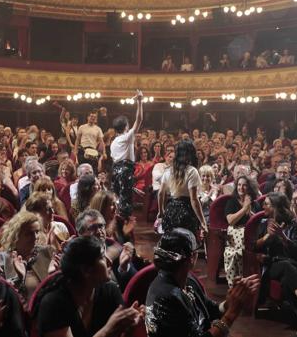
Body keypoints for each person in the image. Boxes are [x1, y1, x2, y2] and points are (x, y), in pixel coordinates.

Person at [145, 228, 260, 337]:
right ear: (191, 258)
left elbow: (209, 308)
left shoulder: (188, 280)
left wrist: (228, 303)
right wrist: (231, 315)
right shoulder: (165, 297)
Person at [33, 236, 143, 337]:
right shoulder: (53, 304)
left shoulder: (110, 290)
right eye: (101, 257)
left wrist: (129, 327)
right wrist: (107, 330)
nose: (109, 261)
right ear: (86, 270)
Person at [254, 192, 297, 337]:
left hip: (296, 264)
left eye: (267, 204)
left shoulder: (294, 225)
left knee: (286, 280)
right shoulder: (264, 223)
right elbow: (254, 247)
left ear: (277, 207)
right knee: (284, 265)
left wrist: (283, 237)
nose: (262, 206)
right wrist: (267, 237)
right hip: (273, 264)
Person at [0, 210, 57, 302]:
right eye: (29, 234)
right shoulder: (2, 259)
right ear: (16, 236)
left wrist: (54, 276)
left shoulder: (47, 252)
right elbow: (2, 297)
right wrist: (19, 279)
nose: (35, 237)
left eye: (37, 232)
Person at [158, 139, 206, 237]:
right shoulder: (192, 171)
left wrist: (161, 211)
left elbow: (160, 193)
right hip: (186, 211)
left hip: (171, 209)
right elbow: (194, 199)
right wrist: (203, 221)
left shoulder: (168, 171)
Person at [110, 90, 143, 218]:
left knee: (116, 199)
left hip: (115, 170)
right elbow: (139, 119)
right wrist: (139, 101)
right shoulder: (127, 137)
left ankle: (116, 224)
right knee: (126, 201)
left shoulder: (113, 142)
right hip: (125, 170)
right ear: (126, 127)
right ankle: (124, 229)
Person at [223, 175, 261, 286]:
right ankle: (236, 283)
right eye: (239, 185)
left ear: (249, 188)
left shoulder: (255, 203)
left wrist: (249, 210)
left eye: (244, 185)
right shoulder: (232, 201)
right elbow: (230, 221)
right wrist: (244, 209)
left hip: (251, 233)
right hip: (235, 232)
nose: (241, 188)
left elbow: (257, 221)